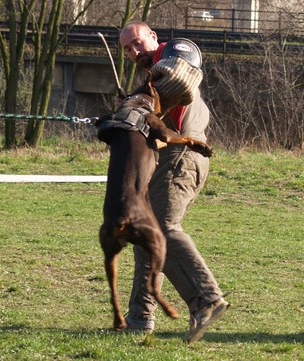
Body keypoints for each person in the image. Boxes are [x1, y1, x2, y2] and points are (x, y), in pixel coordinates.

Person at [118, 21, 229, 345]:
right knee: (144, 232)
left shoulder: (172, 52)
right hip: (170, 160)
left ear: (153, 37)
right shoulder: (152, 81)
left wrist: (137, 103)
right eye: (127, 48)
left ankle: (206, 300)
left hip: (183, 158)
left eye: (137, 42)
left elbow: (183, 73)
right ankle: (140, 315)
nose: (134, 51)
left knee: (163, 229)